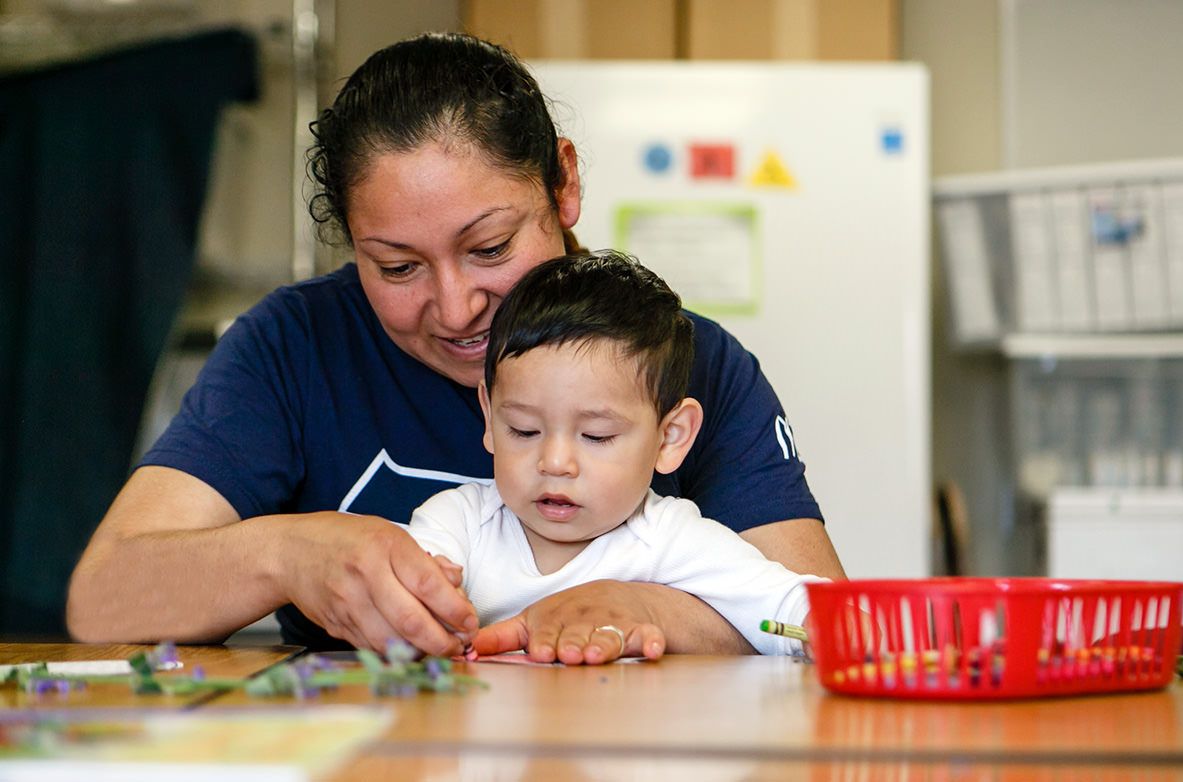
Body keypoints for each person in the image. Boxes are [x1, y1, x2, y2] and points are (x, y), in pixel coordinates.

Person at [66, 31, 845, 661]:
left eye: (491, 247)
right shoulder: (296, 344)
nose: (457, 306)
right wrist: (291, 555)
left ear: (563, 184)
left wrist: (648, 610)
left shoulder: (689, 361)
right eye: (397, 266)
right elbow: (103, 598)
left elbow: (819, 618)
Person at [405, 251, 827, 663]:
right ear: (490, 416)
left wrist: (829, 627)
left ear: (670, 438)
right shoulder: (456, 523)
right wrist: (428, 607)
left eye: (596, 435)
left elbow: (788, 606)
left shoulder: (672, 539)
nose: (554, 462)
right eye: (523, 430)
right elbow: (411, 592)